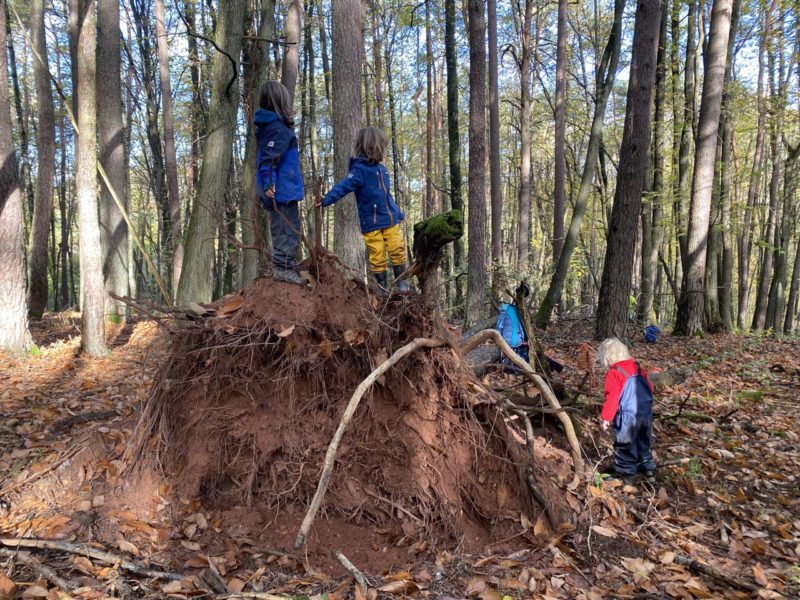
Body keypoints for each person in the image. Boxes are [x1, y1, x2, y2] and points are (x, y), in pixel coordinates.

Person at [317, 127, 410, 293]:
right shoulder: (359, 170)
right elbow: (343, 187)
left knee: (397, 247)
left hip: (390, 219)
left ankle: (402, 284)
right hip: (372, 222)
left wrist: (399, 213)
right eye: (382, 147)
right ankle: (382, 289)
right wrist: (326, 200)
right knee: (378, 254)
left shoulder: (382, 170)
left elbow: (387, 196)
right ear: (374, 147)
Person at [255, 81, 306, 285]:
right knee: (285, 228)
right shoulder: (276, 129)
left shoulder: (277, 128)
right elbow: (269, 159)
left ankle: (286, 265)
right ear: (279, 102)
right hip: (280, 191)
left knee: (290, 227)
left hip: (285, 189)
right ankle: (283, 268)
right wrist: (269, 184)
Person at [597, 337, 656, 485]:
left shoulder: (614, 373)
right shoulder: (638, 368)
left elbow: (612, 398)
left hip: (627, 416)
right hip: (645, 412)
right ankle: (648, 470)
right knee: (644, 441)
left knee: (625, 444)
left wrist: (606, 417)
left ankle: (626, 475)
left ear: (608, 358)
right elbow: (651, 387)